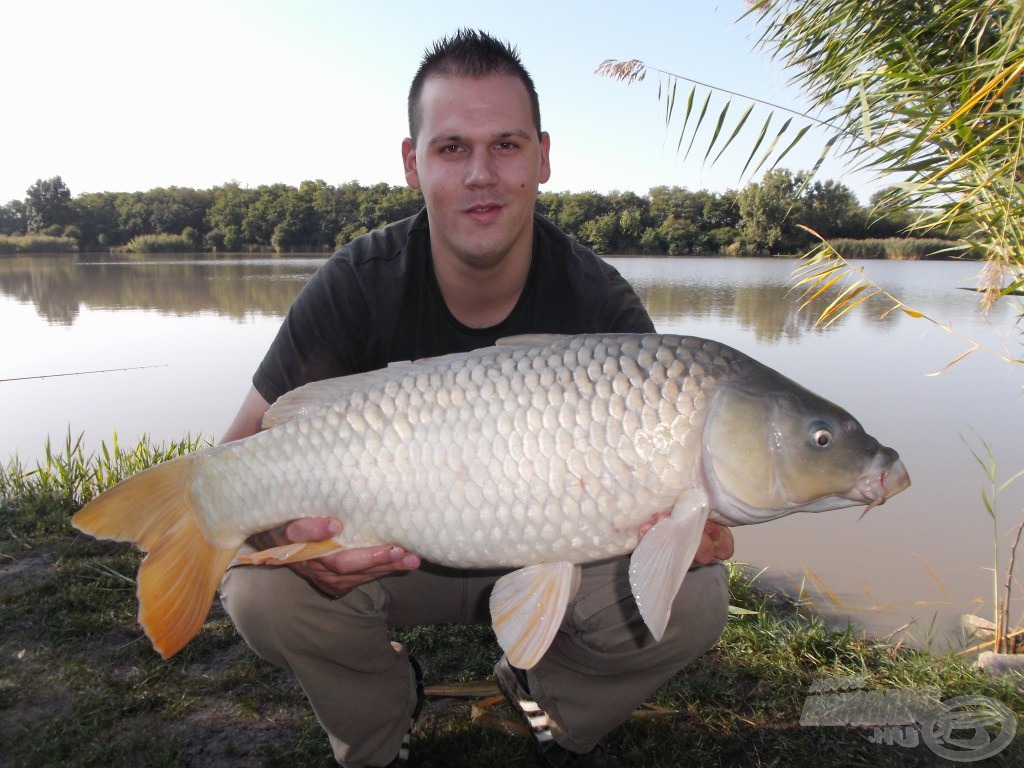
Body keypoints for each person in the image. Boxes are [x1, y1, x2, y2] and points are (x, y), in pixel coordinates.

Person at [219, 29, 734, 768]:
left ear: (544, 157)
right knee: (262, 595)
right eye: (453, 147)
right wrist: (282, 541)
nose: (481, 174)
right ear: (412, 162)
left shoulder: (598, 301)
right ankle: (378, 723)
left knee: (696, 598)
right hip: (398, 558)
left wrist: (686, 530)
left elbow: (678, 498)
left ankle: (545, 701)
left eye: (507, 145)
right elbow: (238, 454)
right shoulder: (358, 283)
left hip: (559, 552)